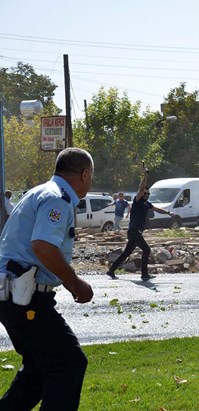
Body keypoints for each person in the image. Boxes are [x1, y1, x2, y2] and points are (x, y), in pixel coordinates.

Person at [0, 148, 95, 410]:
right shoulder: (58, 199)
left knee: (39, 369)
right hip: (25, 299)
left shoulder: (39, 192)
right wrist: (74, 282)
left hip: (15, 296)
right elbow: (43, 245)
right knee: (68, 363)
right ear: (85, 174)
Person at [107, 165, 174, 281]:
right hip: (134, 231)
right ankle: (144, 274)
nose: (146, 195)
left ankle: (111, 270)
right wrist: (145, 176)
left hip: (135, 232)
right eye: (145, 193)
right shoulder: (137, 201)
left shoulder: (147, 204)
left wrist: (168, 212)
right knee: (147, 250)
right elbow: (141, 188)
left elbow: (157, 209)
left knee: (126, 253)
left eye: (148, 194)